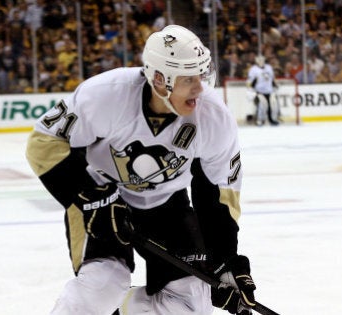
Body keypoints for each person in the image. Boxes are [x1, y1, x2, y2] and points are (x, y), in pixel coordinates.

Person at [25, 25, 257, 315]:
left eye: (202, 74)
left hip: (167, 203)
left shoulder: (213, 117)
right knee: (101, 287)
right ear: (160, 79)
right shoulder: (106, 95)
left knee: (192, 305)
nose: (199, 87)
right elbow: (44, 142)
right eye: (188, 78)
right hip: (102, 196)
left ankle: (118, 310)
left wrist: (225, 261)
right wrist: (90, 198)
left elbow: (218, 192)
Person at [247, 54, 279, 126]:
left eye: (262, 59)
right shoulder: (253, 69)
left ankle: (272, 119)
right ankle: (259, 120)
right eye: (259, 60)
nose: (261, 61)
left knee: (273, 104)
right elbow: (250, 81)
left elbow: (272, 78)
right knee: (262, 104)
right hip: (259, 91)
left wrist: (275, 85)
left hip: (269, 90)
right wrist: (251, 90)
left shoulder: (269, 67)